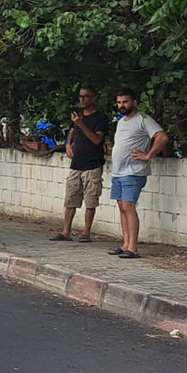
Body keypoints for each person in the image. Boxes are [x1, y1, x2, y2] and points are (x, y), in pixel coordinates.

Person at [109, 88, 168, 259]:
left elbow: (162, 137)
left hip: (133, 172)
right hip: (118, 172)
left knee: (128, 206)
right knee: (122, 208)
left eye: (125, 102)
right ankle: (125, 244)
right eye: (119, 102)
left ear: (134, 102)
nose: (122, 105)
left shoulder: (143, 119)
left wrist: (148, 155)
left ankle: (133, 248)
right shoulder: (121, 122)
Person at [51, 87, 109, 242]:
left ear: (94, 98)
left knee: (90, 199)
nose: (82, 100)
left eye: (86, 97)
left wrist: (82, 124)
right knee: (70, 198)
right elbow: (72, 130)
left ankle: (86, 233)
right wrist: (68, 144)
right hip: (76, 163)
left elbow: (97, 139)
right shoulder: (78, 116)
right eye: (80, 96)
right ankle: (65, 231)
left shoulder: (100, 118)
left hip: (93, 163)